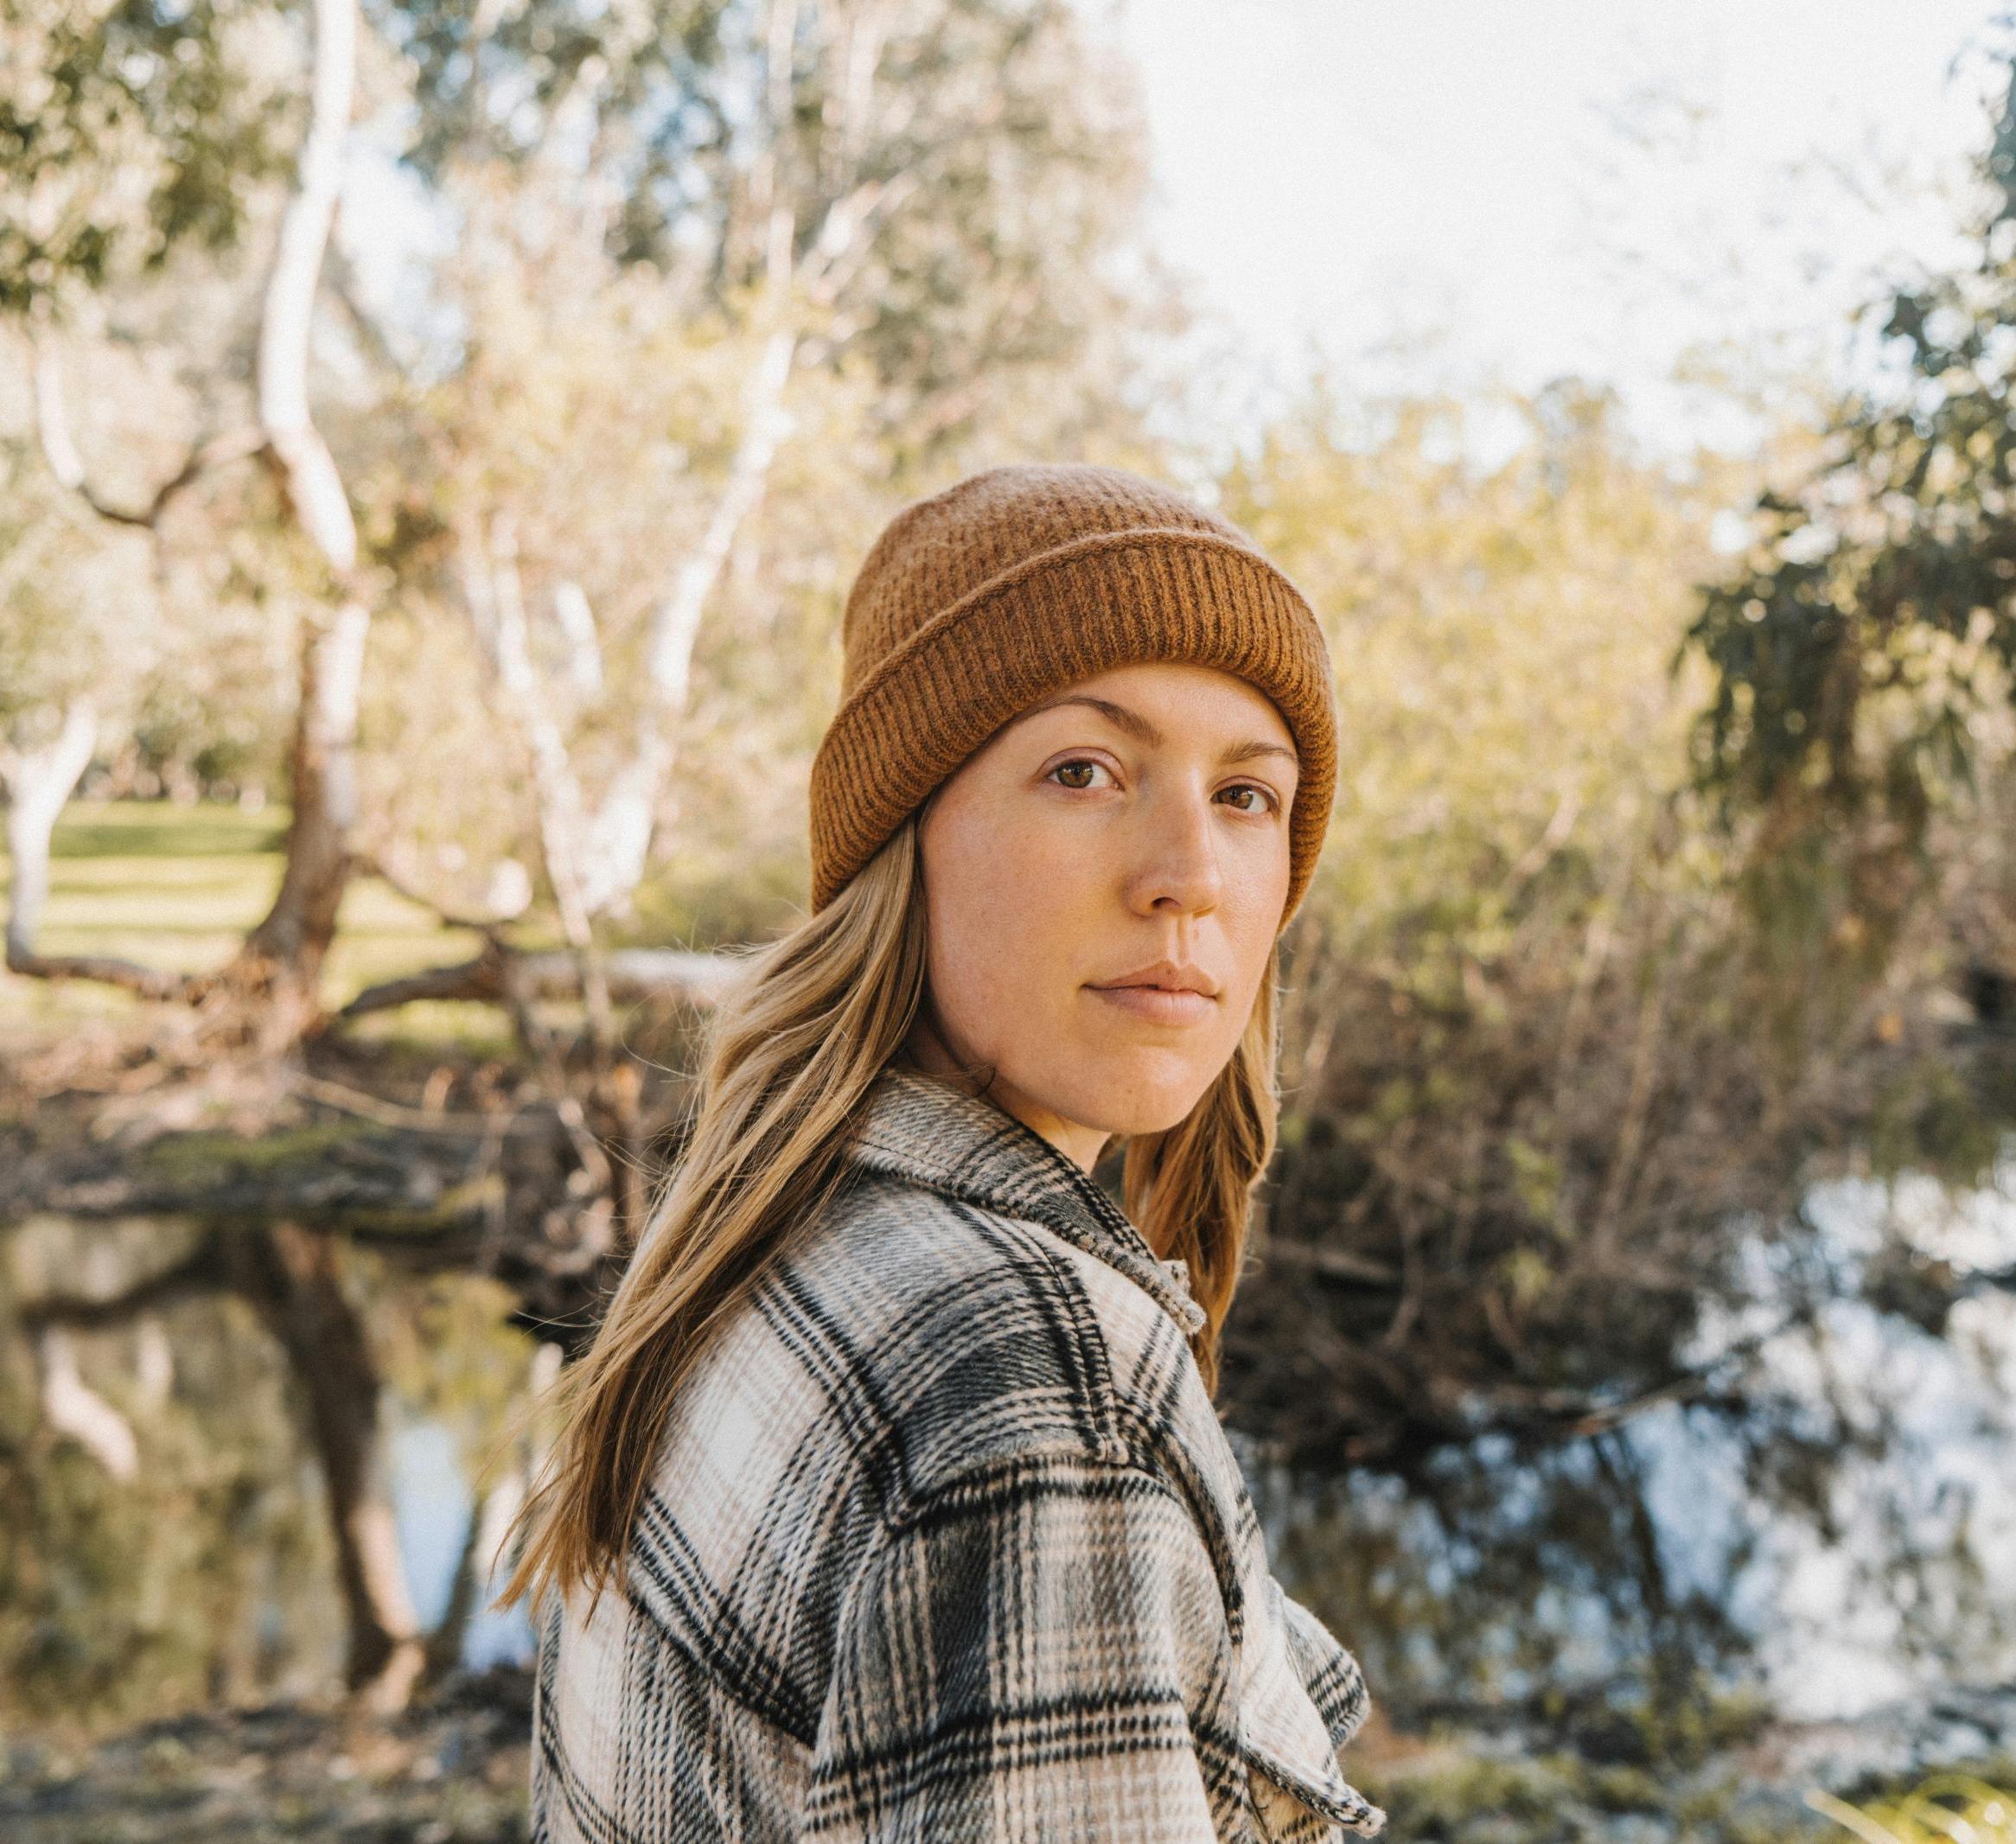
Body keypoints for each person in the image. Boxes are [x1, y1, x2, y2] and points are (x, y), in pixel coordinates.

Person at [495, 462, 1388, 1841]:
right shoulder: (1035, 1379)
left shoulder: (783, 1236)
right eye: (1084, 771)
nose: (1190, 873)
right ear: (904, 838)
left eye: (1248, 794)